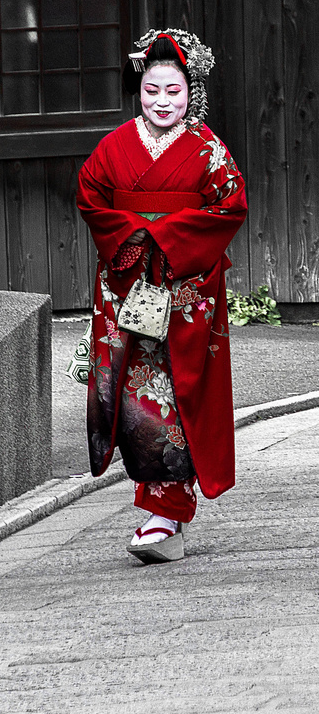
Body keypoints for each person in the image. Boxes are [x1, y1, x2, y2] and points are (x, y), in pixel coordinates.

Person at [76, 29, 247, 563]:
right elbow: (90, 195)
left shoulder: (208, 150)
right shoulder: (114, 147)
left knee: (178, 389)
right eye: (152, 90)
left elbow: (230, 205)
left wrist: (166, 238)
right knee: (133, 393)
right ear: (140, 89)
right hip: (128, 284)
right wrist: (135, 237)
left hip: (184, 289)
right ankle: (160, 507)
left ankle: (168, 511)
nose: (162, 102)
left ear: (190, 90)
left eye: (173, 91)